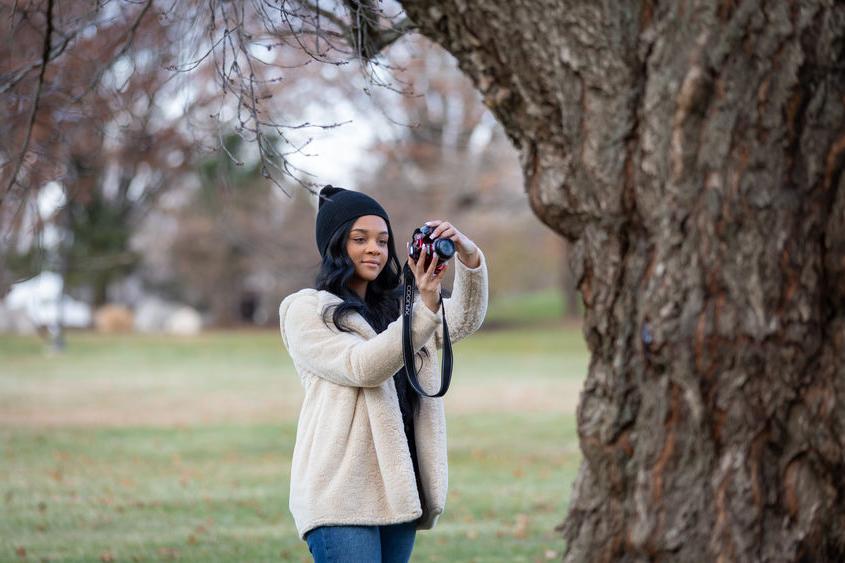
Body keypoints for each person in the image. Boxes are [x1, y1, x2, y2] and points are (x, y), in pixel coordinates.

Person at [278, 185, 488, 562]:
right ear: (335, 245)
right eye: (360, 239)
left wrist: (469, 258)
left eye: (382, 240)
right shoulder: (306, 310)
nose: (374, 248)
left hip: (399, 490)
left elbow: (462, 321)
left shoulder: (401, 306)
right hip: (341, 495)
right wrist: (421, 309)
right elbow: (362, 366)